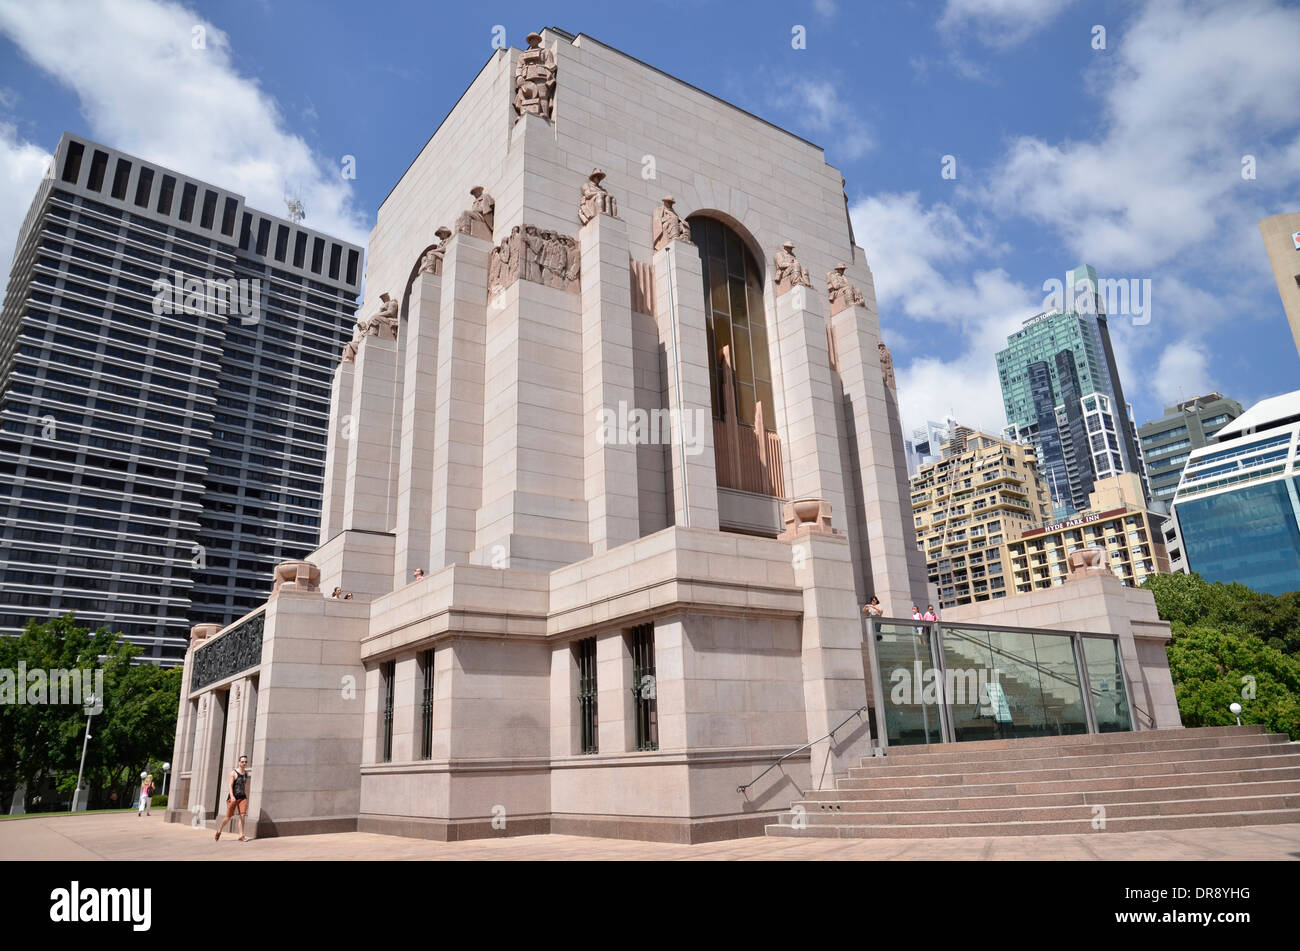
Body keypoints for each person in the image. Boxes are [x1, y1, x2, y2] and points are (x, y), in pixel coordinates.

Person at [215, 755, 251, 842]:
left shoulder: (246, 774)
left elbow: (243, 785)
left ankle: (241, 835)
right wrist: (232, 796)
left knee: (242, 815)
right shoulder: (233, 773)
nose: (244, 763)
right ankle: (219, 830)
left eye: (245, 762)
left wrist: (245, 795)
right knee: (228, 817)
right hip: (233, 798)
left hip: (242, 797)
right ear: (239, 762)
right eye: (242, 762)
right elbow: (230, 786)